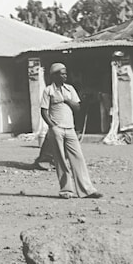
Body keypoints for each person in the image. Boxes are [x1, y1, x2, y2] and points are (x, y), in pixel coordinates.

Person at [37, 63, 102, 199]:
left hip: (70, 128)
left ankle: (86, 190)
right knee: (60, 159)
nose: (65, 76)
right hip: (56, 129)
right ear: (54, 75)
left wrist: (67, 100)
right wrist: (51, 126)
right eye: (62, 73)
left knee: (78, 157)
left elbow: (77, 108)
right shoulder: (48, 90)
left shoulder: (70, 89)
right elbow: (44, 111)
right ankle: (66, 190)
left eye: (65, 73)